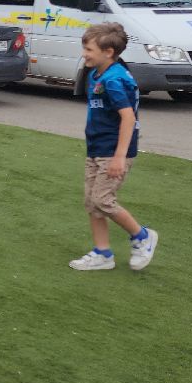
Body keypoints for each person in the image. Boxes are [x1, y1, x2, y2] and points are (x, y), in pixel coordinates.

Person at [68, 22, 159, 272]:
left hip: (113, 151)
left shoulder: (114, 80)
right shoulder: (97, 74)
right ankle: (102, 253)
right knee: (92, 202)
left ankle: (142, 236)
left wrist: (120, 157)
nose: (84, 54)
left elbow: (128, 118)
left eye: (89, 49)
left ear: (108, 52)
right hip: (97, 148)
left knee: (102, 199)